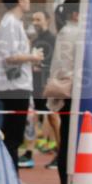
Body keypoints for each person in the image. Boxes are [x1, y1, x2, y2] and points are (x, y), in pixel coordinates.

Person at [0, 0, 43, 171]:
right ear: (20, 0)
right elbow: (9, 57)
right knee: (12, 137)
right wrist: (33, 57)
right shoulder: (10, 23)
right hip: (13, 86)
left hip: (16, 84)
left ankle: (13, 179)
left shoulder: (13, 22)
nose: (29, 1)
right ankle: (11, 179)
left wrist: (31, 59)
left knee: (13, 136)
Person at [44, 0, 80, 184]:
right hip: (72, 93)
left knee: (68, 141)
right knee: (69, 142)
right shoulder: (74, 34)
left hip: (67, 93)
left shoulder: (66, 33)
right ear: (75, 14)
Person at [31, 9, 59, 167]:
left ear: (47, 21)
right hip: (36, 85)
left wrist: (43, 67)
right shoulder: (35, 41)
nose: (35, 23)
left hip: (48, 84)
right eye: (33, 20)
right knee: (40, 118)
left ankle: (60, 153)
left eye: (38, 19)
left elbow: (56, 62)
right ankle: (30, 151)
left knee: (53, 118)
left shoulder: (53, 39)